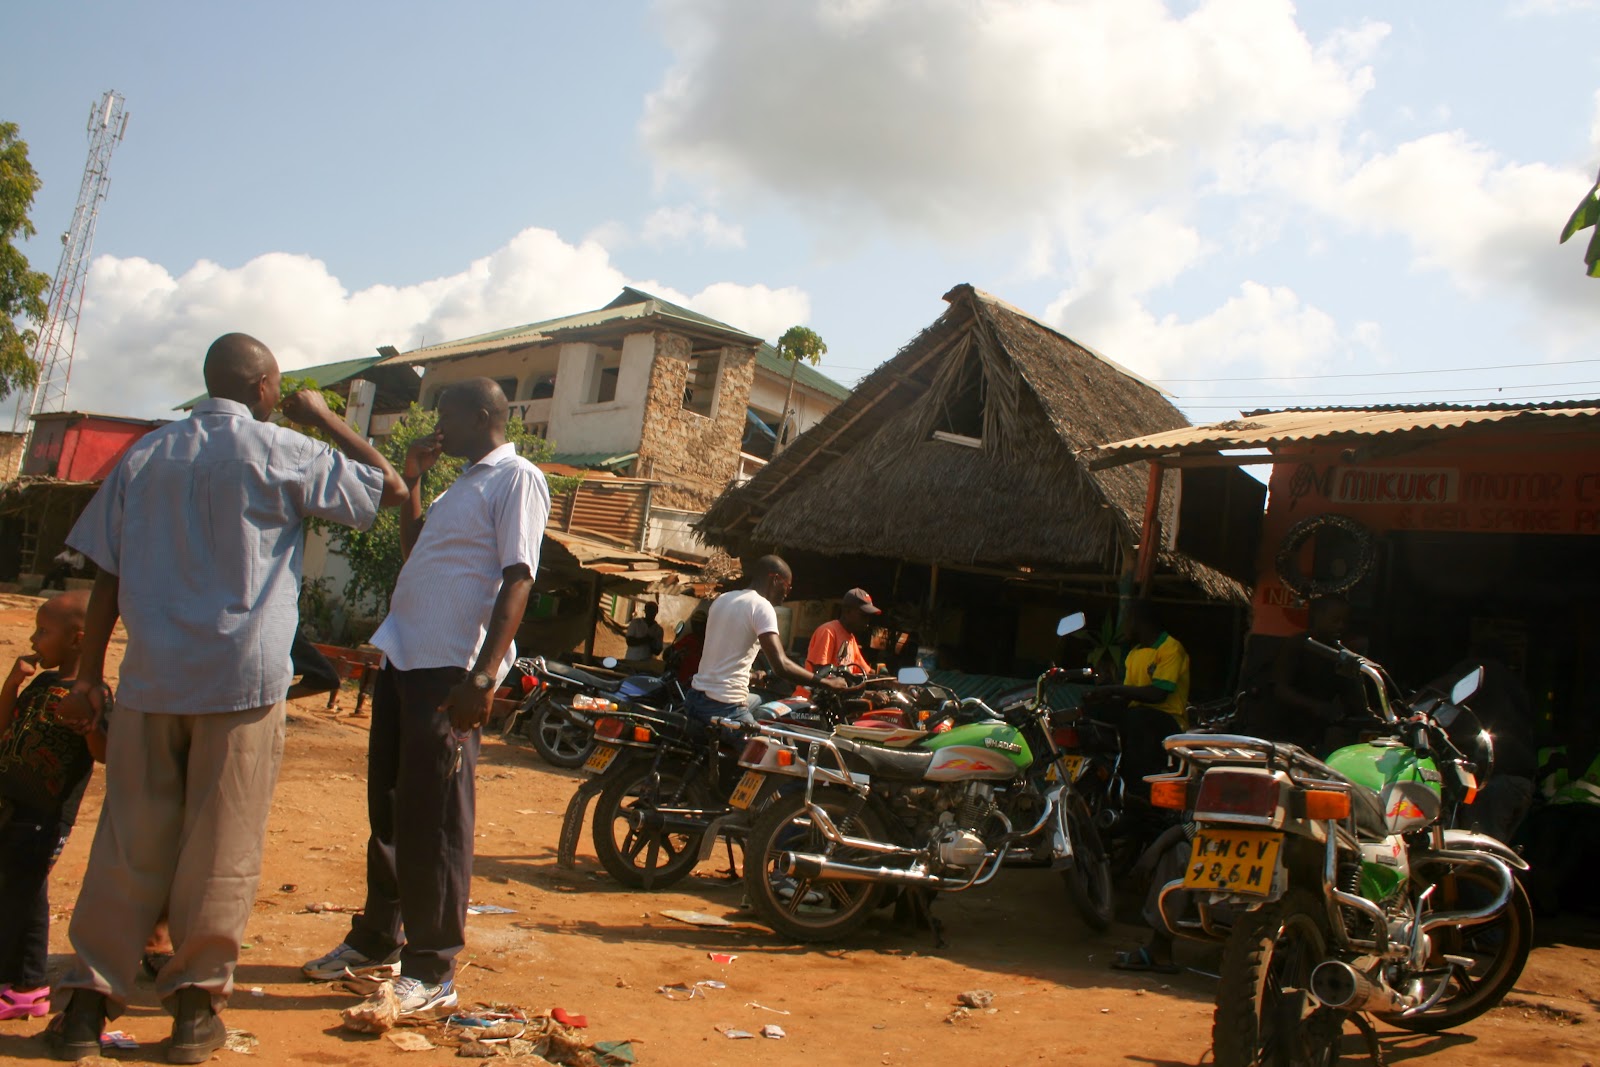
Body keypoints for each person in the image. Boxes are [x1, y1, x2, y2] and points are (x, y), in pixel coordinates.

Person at [47, 333, 406, 1063]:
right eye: (283, 388)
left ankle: (85, 1010)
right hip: (240, 684)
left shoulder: (146, 455)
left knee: (127, 841)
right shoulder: (283, 450)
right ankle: (191, 1013)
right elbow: (390, 489)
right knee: (221, 848)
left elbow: (107, 572)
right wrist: (324, 418)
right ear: (267, 386)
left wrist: (89, 672)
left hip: (151, 679)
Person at [303, 378, 549, 1020]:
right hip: (405, 657)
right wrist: (413, 478)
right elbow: (415, 555)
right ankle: (379, 939)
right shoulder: (456, 486)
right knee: (389, 807)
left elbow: (519, 577)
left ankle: (433, 968)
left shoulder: (515, 478)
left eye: (446, 417)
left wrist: (482, 675)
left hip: (451, 671)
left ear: (481, 416)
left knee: (437, 820)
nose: (437, 428)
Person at [0, 592, 101, 1021]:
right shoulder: (42, 684)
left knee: (16, 899)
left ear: (78, 639)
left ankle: (22, 985)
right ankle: (27, 984)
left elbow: (103, 752)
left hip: (44, 818)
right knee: (24, 894)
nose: (35, 638)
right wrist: (11, 685)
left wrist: (86, 720)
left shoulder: (93, 693)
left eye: (44, 631)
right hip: (10, 808)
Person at [688, 556, 847, 726]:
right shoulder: (761, 606)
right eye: (787, 586)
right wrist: (825, 683)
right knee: (767, 748)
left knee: (758, 701)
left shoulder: (722, 599)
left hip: (695, 699)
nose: (787, 593)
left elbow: (722, 655)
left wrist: (751, 676)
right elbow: (781, 665)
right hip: (725, 706)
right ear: (775, 579)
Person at [1083, 599, 1191, 787]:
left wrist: (1112, 689)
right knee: (1090, 714)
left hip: (1168, 719)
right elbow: (1129, 695)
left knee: (1138, 719)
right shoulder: (1134, 654)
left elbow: (1157, 694)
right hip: (1139, 715)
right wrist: (1102, 695)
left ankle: (1136, 788)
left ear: (1141, 621)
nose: (1124, 627)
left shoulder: (1171, 649)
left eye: (1128, 620)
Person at [1264, 596, 1369, 753]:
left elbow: (1352, 698)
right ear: (1318, 617)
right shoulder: (1298, 644)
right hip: (1286, 726)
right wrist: (1316, 707)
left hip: (1318, 730)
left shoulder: (1343, 654)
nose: (1340, 626)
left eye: (1344, 621)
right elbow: (1280, 690)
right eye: (1335, 620)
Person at [795, 588, 880, 698]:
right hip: (810, 702)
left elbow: (865, 673)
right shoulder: (828, 631)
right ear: (847, 611)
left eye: (868, 617)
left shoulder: (851, 639)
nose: (867, 622)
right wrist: (868, 694)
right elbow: (822, 676)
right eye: (863, 616)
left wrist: (890, 681)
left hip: (833, 703)